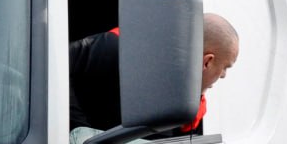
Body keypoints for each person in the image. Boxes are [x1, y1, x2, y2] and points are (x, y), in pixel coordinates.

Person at [68, 12, 239, 132]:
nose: (223, 75)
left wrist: (199, 87)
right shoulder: (122, 45)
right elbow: (54, 68)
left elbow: (187, 125)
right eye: (225, 67)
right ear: (207, 61)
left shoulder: (180, 91)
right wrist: (80, 129)